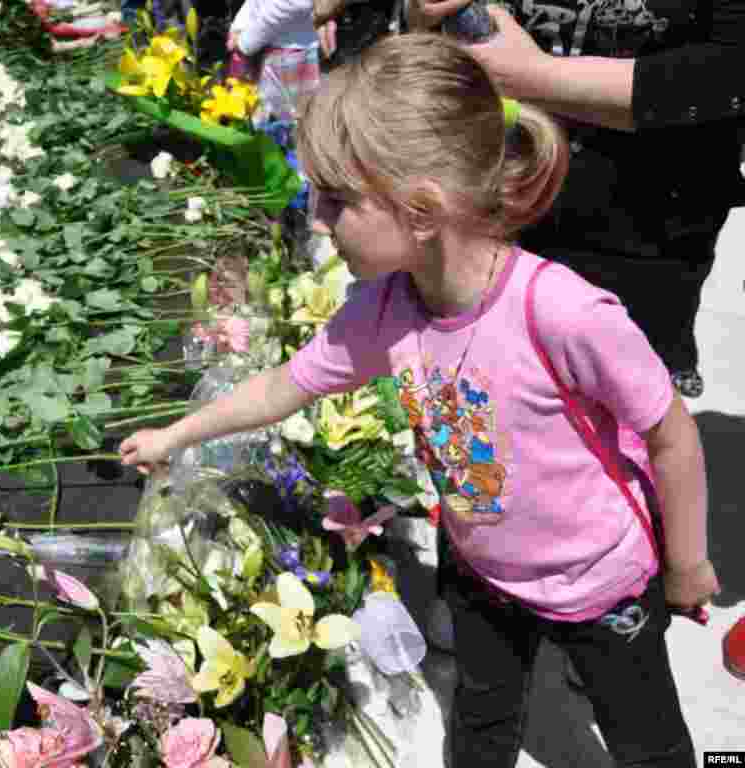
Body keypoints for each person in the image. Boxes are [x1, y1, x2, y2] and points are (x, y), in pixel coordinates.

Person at [121, 34, 721, 766]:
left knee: (644, 737)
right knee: (480, 720)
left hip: (600, 583)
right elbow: (281, 387)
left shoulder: (561, 313)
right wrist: (174, 434)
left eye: (335, 200)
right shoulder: (386, 310)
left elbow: (669, 430)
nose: (314, 219)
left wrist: (686, 562)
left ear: (424, 210)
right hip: (482, 572)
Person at [409, 0, 745, 400]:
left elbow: (731, 69)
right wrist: (426, 19)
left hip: (638, 224)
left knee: (605, 425)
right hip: (485, 194)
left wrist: (537, 78)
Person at [226, 0, 323, 122]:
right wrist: (240, 26)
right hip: (268, 46)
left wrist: (246, 41)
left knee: (280, 130)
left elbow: (293, 4)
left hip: (283, 55)